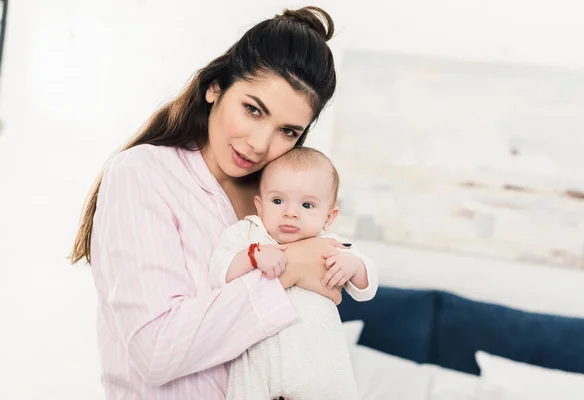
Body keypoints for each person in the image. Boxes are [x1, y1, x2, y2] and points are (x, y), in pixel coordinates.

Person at [70, 6, 347, 399]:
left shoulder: (274, 203)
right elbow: (157, 351)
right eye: (253, 110)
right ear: (215, 87)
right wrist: (292, 269)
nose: (259, 144)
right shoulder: (143, 174)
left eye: (287, 131)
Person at [208, 147, 378, 400]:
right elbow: (219, 274)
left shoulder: (331, 244)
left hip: (316, 364)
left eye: (307, 205)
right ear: (260, 205)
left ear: (329, 217)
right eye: (277, 201)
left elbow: (367, 289)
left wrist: (354, 265)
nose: (290, 212)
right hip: (256, 362)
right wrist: (252, 255)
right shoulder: (247, 234)